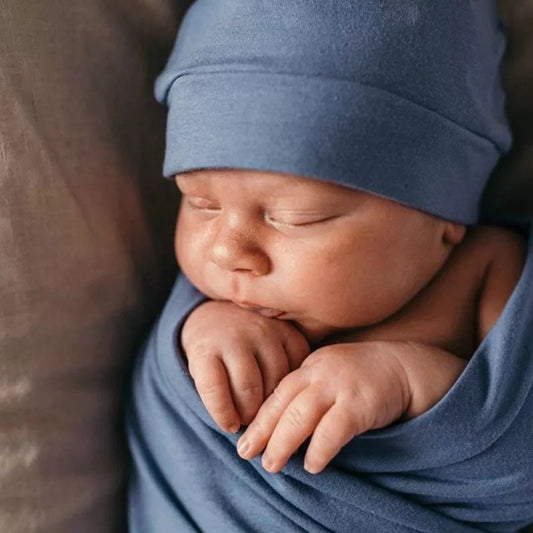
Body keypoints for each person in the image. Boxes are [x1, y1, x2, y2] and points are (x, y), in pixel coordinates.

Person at [128, 1, 533, 531]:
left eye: (297, 217)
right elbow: (169, 423)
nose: (228, 251)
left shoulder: (490, 272)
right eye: (199, 203)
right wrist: (197, 337)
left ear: (443, 219)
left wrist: (410, 379)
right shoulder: (218, 298)